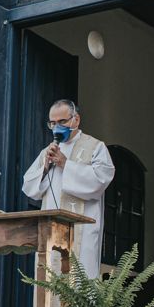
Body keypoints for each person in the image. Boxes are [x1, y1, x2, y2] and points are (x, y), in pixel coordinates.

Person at [22, 98, 115, 279]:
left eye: (62, 122)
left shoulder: (95, 148)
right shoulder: (48, 151)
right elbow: (29, 186)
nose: (57, 127)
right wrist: (45, 167)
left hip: (82, 232)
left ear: (76, 120)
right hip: (52, 232)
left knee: (80, 281)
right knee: (50, 280)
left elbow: (101, 180)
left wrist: (66, 164)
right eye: (53, 123)